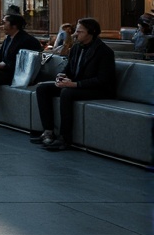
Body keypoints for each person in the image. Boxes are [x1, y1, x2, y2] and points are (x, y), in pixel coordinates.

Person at [31, 18, 116, 151]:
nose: (75, 34)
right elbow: (69, 68)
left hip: (98, 89)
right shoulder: (76, 47)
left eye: (79, 31)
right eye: (76, 30)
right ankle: (48, 131)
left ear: (91, 32)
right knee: (43, 88)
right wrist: (62, 76)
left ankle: (65, 138)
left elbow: (103, 80)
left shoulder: (104, 52)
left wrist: (75, 84)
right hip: (76, 84)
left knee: (67, 92)